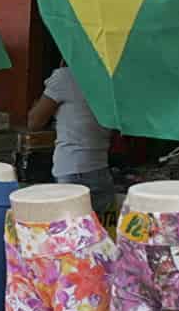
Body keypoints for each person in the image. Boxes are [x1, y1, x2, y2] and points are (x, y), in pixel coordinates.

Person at [27, 61, 116, 212]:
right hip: (101, 170)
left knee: (70, 232)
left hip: (72, 170)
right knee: (98, 233)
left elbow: (34, 122)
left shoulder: (64, 77)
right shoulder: (109, 79)